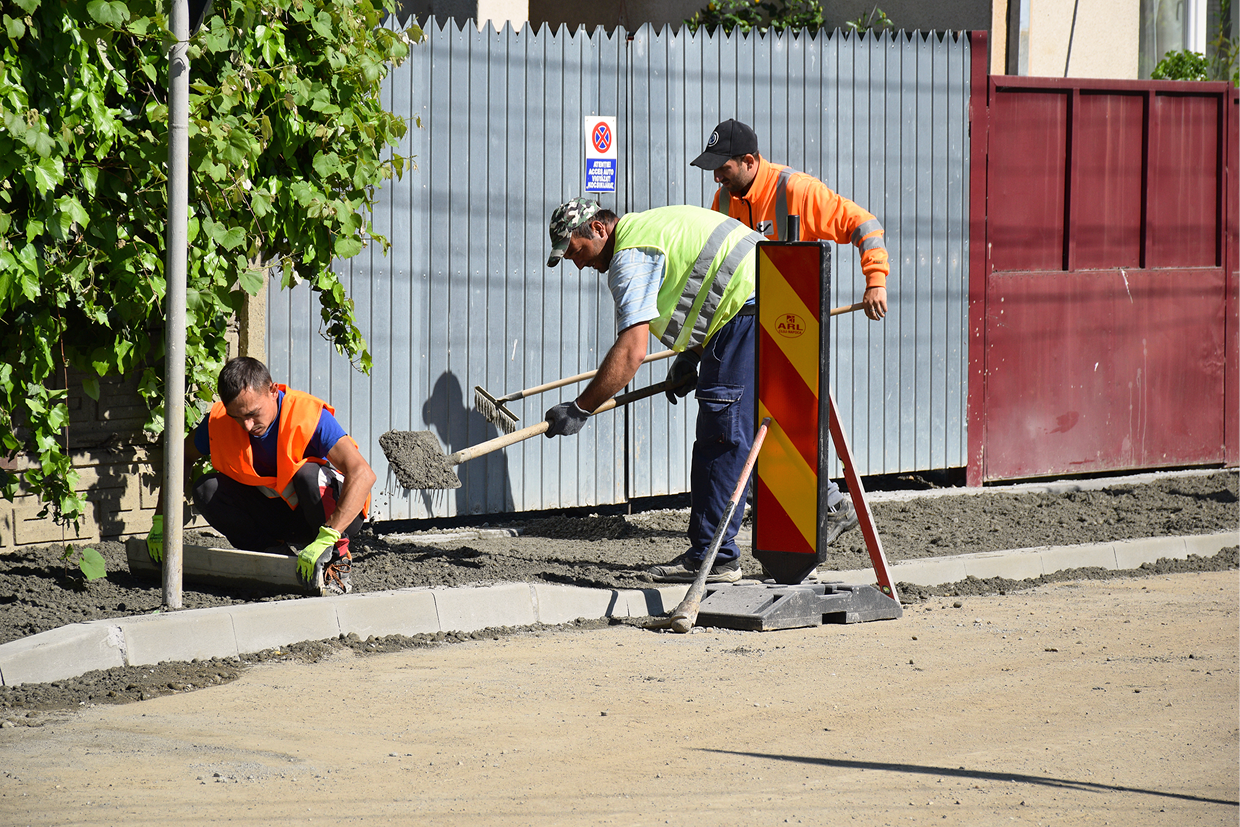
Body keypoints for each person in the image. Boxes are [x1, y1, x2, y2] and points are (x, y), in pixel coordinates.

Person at [542, 197, 857, 584]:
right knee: (759, 428)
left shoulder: (629, 255)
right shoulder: (650, 227)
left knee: (722, 434)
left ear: (597, 229)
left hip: (745, 309)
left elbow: (631, 353)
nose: (578, 264)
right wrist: (692, 356)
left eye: (576, 252)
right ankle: (814, 517)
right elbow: (703, 287)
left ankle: (714, 557)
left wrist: (581, 408)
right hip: (775, 292)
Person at [691, 117, 893, 535]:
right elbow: (713, 270)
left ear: (750, 161)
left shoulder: (796, 191)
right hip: (747, 328)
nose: (716, 177)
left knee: (779, 419)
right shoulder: (723, 201)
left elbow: (864, 224)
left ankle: (830, 503)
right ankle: (815, 502)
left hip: (792, 326)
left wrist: (875, 280)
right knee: (752, 420)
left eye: (723, 168)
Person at [146, 357, 376, 592]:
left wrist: (329, 535)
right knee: (207, 489)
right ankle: (274, 556)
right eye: (237, 417)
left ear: (273, 391)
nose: (247, 425)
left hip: (334, 517)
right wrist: (162, 520)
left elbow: (363, 473)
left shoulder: (307, 415)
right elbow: (181, 456)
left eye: (253, 413)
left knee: (307, 474)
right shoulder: (219, 422)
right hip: (284, 515)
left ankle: (336, 562)